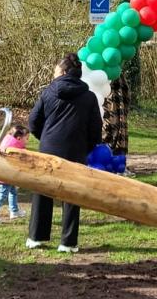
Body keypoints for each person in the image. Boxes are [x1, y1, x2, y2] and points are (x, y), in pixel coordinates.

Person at [26, 53, 102, 253]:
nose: (54, 72)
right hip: (76, 150)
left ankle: (36, 237)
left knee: (42, 191)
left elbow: (33, 121)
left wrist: (45, 137)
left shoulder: (48, 92)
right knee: (72, 195)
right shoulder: (89, 96)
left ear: (63, 71)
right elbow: (96, 129)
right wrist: (87, 147)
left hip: (49, 146)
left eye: (56, 69)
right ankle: (68, 242)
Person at [0, 123, 28, 223]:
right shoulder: (16, 147)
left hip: (6, 174)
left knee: (13, 192)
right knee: (2, 196)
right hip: (5, 175)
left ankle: (14, 211)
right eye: (26, 138)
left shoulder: (8, 141)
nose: (27, 141)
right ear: (18, 138)